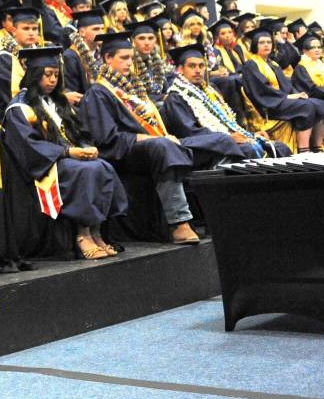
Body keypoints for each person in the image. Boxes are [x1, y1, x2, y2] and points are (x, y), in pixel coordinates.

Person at [78, 32, 240, 245]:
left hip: (153, 144)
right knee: (163, 146)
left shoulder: (134, 90)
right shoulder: (98, 93)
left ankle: (219, 215)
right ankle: (179, 223)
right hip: (123, 153)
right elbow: (106, 139)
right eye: (124, 58)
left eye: (131, 58)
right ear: (108, 58)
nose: (130, 63)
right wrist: (145, 138)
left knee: (220, 143)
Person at [3, 46, 127, 259]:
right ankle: (83, 234)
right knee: (85, 171)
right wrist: (68, 153)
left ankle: (97, 231)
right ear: (34, 75)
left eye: (56, 75)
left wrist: (88, 147)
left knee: (103, 166)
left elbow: (79, 132)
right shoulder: (20, 108)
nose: (52, 80)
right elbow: (28, 146)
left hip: (68, 158)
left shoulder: (59, 103)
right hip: (46, 165)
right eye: (47, 75)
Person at [163, 43, 290, 159]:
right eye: (192, 66)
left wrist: (249, 134)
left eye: (201, 66)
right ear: (180, 70)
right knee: (249, 149)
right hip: (205, 148)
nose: (198, 70)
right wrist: (229, 138)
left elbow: (226, 121)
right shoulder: (176, 97)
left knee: (280, 147)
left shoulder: (210, 91)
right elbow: (191, 132)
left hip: (225, 141)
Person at [242, 28, 324, 152]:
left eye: (269, 42)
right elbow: (262, 89)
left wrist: (297, 94)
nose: (266, 45)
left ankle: (316, 147)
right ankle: (304, 150)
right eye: (262, 42)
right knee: (306, 106)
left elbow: (286, 85)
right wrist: (287, 97)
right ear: (255, 45)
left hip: (281, 101)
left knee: (320, 103)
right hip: (268, 105)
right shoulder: (251, 64)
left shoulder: (273, 64)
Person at [0, 6, 42, 119]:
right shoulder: (5, 59)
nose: (31, 33)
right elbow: (13, 97)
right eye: (26, 28)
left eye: (34, 28)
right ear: (13, 31)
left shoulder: (39, 53)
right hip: (14, 115)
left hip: (39, 105)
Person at [62, 8, 106, 99]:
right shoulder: (71, 56)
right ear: (82, 32)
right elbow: (73, 92)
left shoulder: (103, 53)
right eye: (96, 29)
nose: (101, 32)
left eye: (102, 28)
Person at [127, 19, 171, 102]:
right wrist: (162, 98)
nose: (147, 43)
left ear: (156, 40)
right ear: (133, 40)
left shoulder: (157, 62)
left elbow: (166, 89)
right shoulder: (130, 64)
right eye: (141, 38)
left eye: (151, 38)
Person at [293, 33, 324, 102]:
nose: (317, 50)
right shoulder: (301, 68)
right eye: (313, 47)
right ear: (305, 51)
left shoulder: (321, 64)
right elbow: (311, 89)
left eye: (319, 47)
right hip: (314, 100)